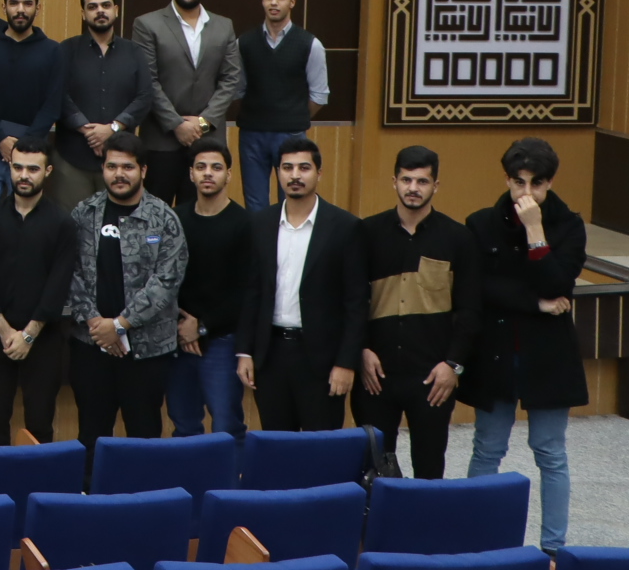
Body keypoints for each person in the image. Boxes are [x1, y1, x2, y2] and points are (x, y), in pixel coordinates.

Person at [461, 137, 584, 548]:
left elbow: (557, 284)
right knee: (487, 448)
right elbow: (479, 289)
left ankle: (553, 548)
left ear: (550, 183)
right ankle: (478, 545)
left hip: (547, 356)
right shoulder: (481, 223)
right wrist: (535, 304)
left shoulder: (569, 226)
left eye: (536, 184)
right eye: (519, 182)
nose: (526, 193)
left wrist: (535, 230)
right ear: (507, 180)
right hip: (496, 351)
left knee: (550, 452)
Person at [353, 146, 480, 479]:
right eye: (406, 179)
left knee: (429, 468)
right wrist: (361, 350)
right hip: (376, 376)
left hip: (432, 377)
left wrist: (453, 364)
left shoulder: (458, 238)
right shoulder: (366, 233)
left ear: (436, 185)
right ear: (394, 181)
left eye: (422, 181)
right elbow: (352, 300)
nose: (413, 188)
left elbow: (470, 310)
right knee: (373, 470)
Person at [64, 135, 187, 470]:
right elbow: (68, 272)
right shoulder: (83, 214)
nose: (119, 174)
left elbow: (167, 281)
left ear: (143, 170)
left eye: (128, 167)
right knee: (91, 436)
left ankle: (144, 499)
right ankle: (90, 497)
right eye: (112, 166)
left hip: (146, 351)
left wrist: (119, 325)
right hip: (91, 345)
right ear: (103, 169)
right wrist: (98, 325)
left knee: (143, 440)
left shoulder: (164, 218)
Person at [235, 137, 367, 432]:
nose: (295, 175)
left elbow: (356, 302)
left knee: (321, 449)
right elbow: (252, 292)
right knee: (277, 446)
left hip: (322, 360)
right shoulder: (260, 223)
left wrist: (346, 363)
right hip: (271, 356)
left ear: (319, 173)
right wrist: (245, 351)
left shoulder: (345, 227)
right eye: (287, 168)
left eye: (304, 168)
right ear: (278, 172)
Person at [0, 139, 72, 445]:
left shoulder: (62, 223)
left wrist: (28, 335)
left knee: (40, 425)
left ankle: (39, 480)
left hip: (44, 336)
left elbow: (59, 284)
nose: (24, 175)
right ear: (9, 168)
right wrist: (4, 330)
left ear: (47, 171)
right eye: (18, 167)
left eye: (33, 169)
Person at [130, 0, 243, 209]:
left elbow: (231, 79)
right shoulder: (147, 24)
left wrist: (202, 123)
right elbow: (148, 80)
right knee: (154, 215)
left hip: (207, 141)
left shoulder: (224, 26)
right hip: (161, 140)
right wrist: (177, 124)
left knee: (200, 216)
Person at [168, 138, 253, 440]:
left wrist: (202, 326)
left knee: (227, 427)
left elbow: (246, 291)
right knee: (184, 426)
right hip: (178, 338)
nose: (207, 173)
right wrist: (183, 325)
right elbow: (164, 279)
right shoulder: (175, 219)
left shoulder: (245, 223)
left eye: (216, 168)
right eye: (201, 167)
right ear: (190, 173)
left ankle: (230, 476)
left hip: (222, 341)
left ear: (228, 175)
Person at [235, 0, 330, 210]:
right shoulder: (244, 43)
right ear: (262, 1)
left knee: (292, 202)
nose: (274, 2)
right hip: (252, 134)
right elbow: (238, 89)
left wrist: (292, 115)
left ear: (292, 2)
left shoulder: (310, 44)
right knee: (255, 206)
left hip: (291, 135)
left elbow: (319, 96)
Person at [0, 0, 66, 216]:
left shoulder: (53, 51)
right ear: (3, 6)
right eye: (14, 3)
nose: (20, 10)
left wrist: (25, 145)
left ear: (38, 7)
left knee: (26, 218)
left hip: (32, 154)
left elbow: (53, 104)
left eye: (27, 3)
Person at [57, 0, 153, 210]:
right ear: (83, 14)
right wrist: (88, 131)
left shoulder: (134, 52)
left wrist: (112, 128)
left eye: (105, 5)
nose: (100, 11)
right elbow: (57, 94)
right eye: (92, 7)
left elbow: (144, 97)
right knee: (73, 222)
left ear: (116, 10)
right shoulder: (65, 50)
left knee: (118, 221)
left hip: (120, 159)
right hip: (72, 158)